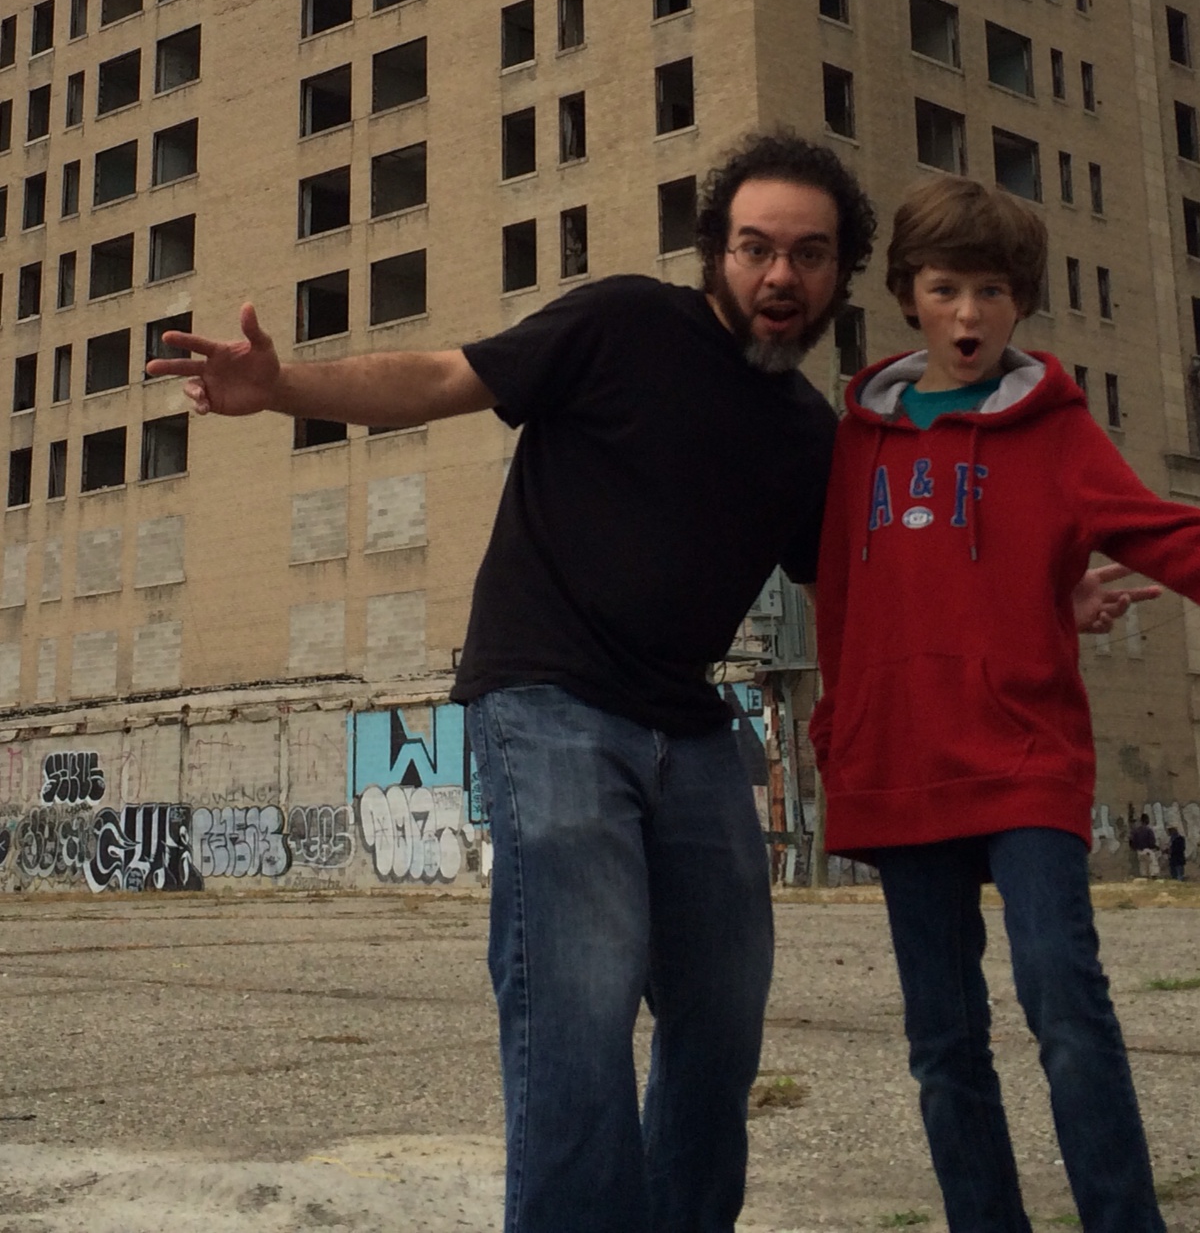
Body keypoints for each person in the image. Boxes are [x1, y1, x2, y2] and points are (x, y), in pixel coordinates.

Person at [148, 130, 877, 1233]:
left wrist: (1040, 593)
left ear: (838, 275)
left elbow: (866, 592)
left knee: (722, 1025)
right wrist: (284, 385)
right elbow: (445, 373)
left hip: (691, 722)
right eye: (755, 248)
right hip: (550, 695)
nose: (780, 276)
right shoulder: (625, 322)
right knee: (575, 1008)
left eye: (809, 255)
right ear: (715, 254)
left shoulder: (809, 434)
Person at [808, 176, 1200, 1233]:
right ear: (908, 294)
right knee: (942, 1042)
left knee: (1066, 1006)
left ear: (1022, 302)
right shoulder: (857, 435)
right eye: (946, 288)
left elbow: (1157, 528)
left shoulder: (1052, 430)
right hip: (902, 765)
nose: (967, 315)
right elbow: (842, 601)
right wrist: (838, 737)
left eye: (991, 292)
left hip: (1024, 760)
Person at [1129, 813, 1161, 879]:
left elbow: (1132, 841)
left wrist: (1135, 848)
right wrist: (1156, 847)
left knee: (1143, 866)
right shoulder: (1148, 830)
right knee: (1152, 865)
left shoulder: (1136, 831)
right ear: (1147, 820)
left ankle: (1144, 879)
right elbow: (1151, 842)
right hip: (1147, 850)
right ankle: (1153, 879)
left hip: (1139, 851)